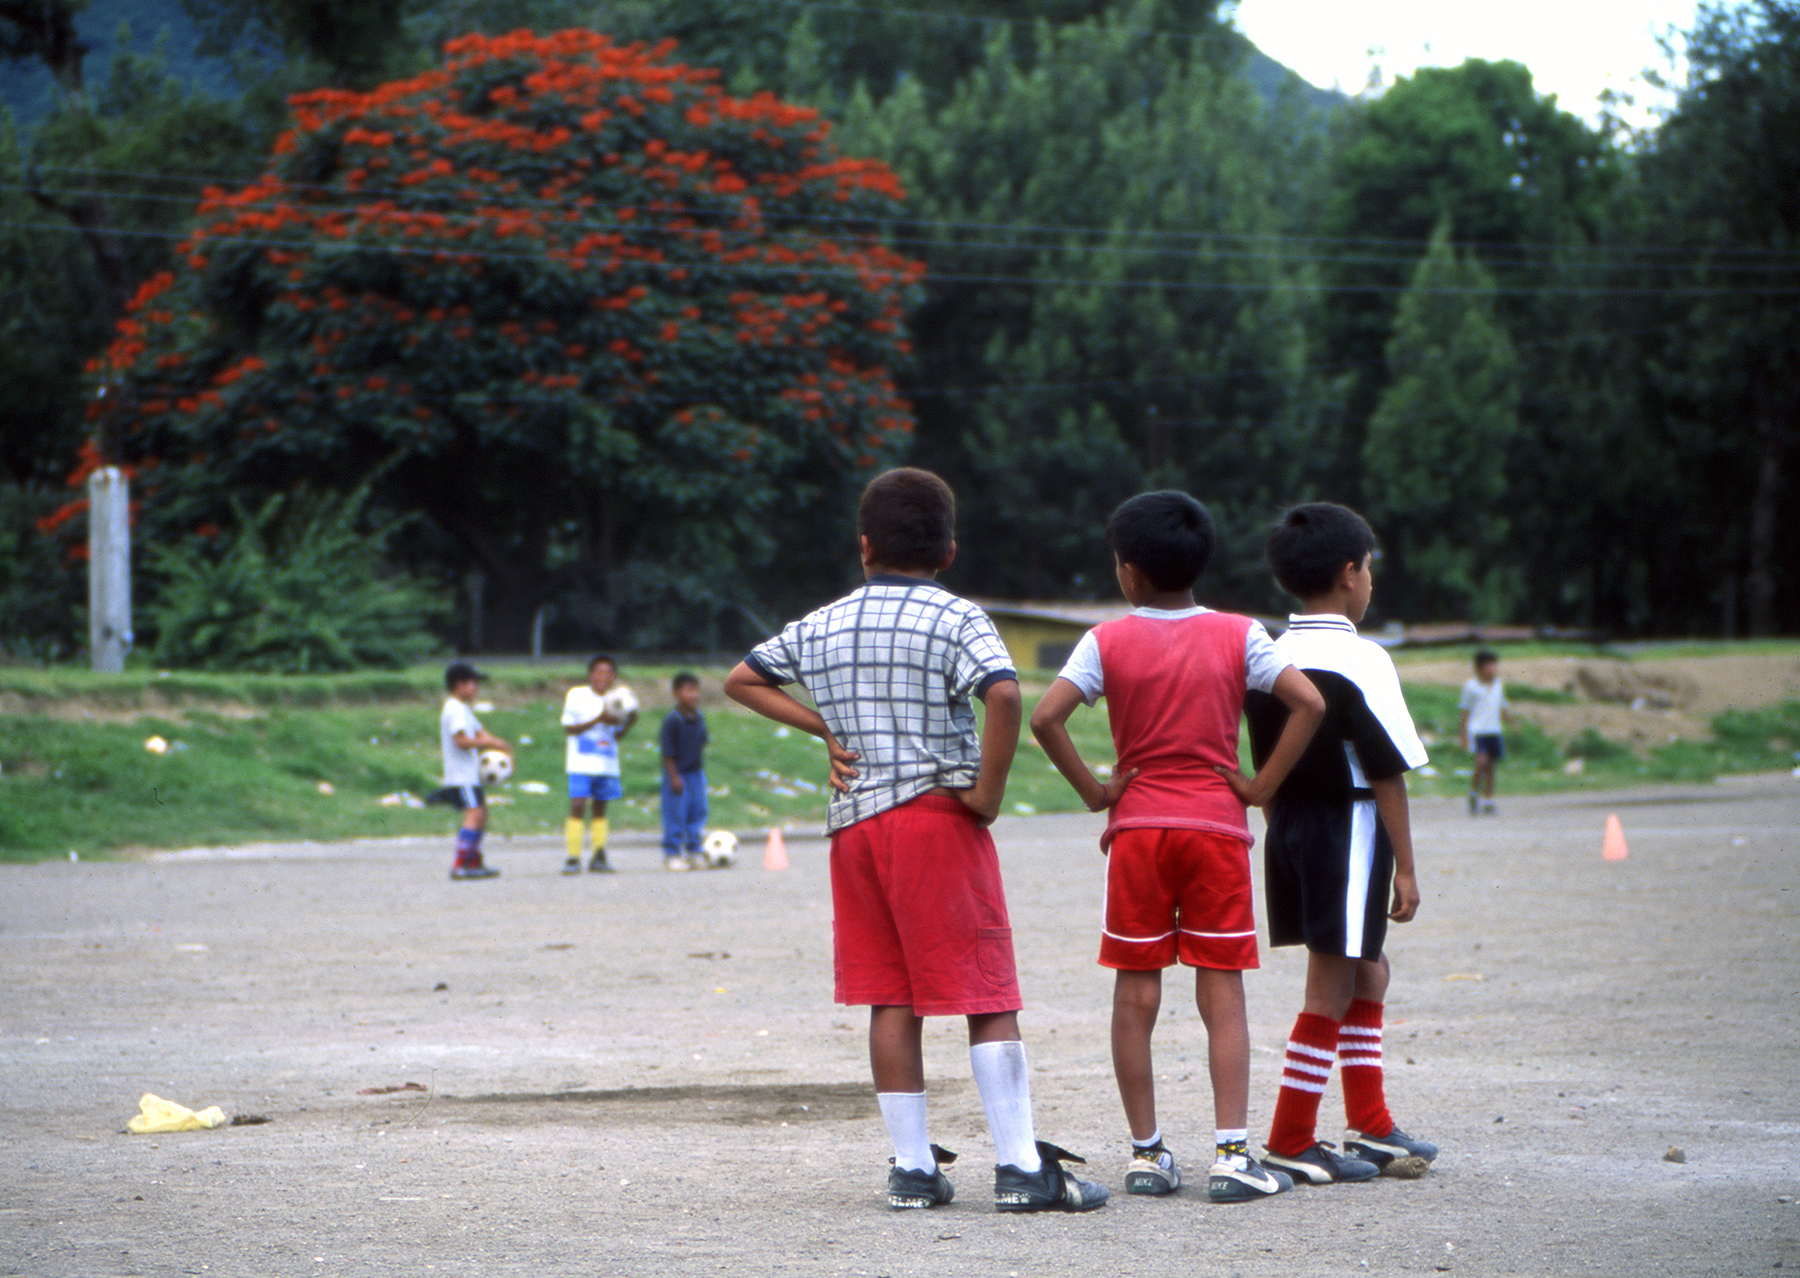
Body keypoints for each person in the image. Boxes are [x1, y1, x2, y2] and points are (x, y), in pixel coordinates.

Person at [724, 467, 1109, 1215]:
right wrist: (987, 793)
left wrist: (827, 728)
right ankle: (1021, 1168)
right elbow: (1003, 692)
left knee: (890, 995)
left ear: (864, 544)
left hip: (857, 827)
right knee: (986, 992)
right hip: (937, 820)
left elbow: (743, 679)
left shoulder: (824, 622)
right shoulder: (958, 616)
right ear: (949, 549)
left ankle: (911, 1169)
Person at [1030, 491, 1326, 1204]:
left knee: (1136, 989)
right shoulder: (1240, 634)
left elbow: (1045, 718)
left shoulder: (1104, 641)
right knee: (1221, 989)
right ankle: (1232, 1155)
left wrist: (1097, 792)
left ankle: (1147, 1153)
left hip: (1138, 832)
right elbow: (1309, 704)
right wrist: (1259, 786)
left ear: (1128, 571)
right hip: (1216, 829)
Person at [1243, 502, 1439, 1185]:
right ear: (1351, 573)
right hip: (1349, 827)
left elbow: (1266, 765)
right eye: (1371, 569)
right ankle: (1290, 1138)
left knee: (1368, 968)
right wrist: (1406, 868)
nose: (1371, 581)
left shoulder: (1268, 655)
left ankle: (1372, 1124)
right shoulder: (1362, 659)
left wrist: (1284, 838)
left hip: (1291, 826)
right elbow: (1387, 771)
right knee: (1329, 984)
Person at [431, 661, 509, 881]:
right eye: (474, 683)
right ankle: (459, 865)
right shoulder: (454, 708)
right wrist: (490, 743)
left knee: (481, 814)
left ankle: (473, 862)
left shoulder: (463, 709)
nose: (477, 688)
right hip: (460, 775)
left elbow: (480, 732)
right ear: (459, 684)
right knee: (474, 815)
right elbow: (461, 740)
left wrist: (500, 747)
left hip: (470, 775)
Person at [562, 654, 637, 874]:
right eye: (598, 672)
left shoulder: (619, 700)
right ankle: (573, 857)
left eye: (608, 673)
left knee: (600, 808)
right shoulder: (577, 696)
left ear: (614, 677)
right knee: (578, 804)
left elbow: (617, 735)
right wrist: (599, 718)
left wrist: (629, 722)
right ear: (590, 675)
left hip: (605, 763)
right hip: (580, 763)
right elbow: (570, 729)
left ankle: (599, 854)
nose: (603, 677)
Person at [659, 671, 711, 871]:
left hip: (695, 773)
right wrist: (673, 776)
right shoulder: (672, 720)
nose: (693, 695)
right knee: (675, 814)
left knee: (697, 811)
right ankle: (672, 854)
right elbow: (667, 752)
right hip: (677, 775)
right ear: (676, 693)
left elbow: (702, 743)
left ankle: (694, 851)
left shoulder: (699, 718)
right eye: (688, 690)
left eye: (696, 690)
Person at [1459, 650, 1512, 816]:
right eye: (1490, 665)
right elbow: (1465, 712)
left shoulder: (1498, 685)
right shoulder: (1471, 687)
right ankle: (1474, 792)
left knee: (1491, 767)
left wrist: (1512, 722)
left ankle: (1488, 799)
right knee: (1481, 762)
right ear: (1480, 668)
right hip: (1477, 731)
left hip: (1494, 730)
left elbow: (1502, 706)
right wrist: (1463, 735)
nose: (1494, 669)